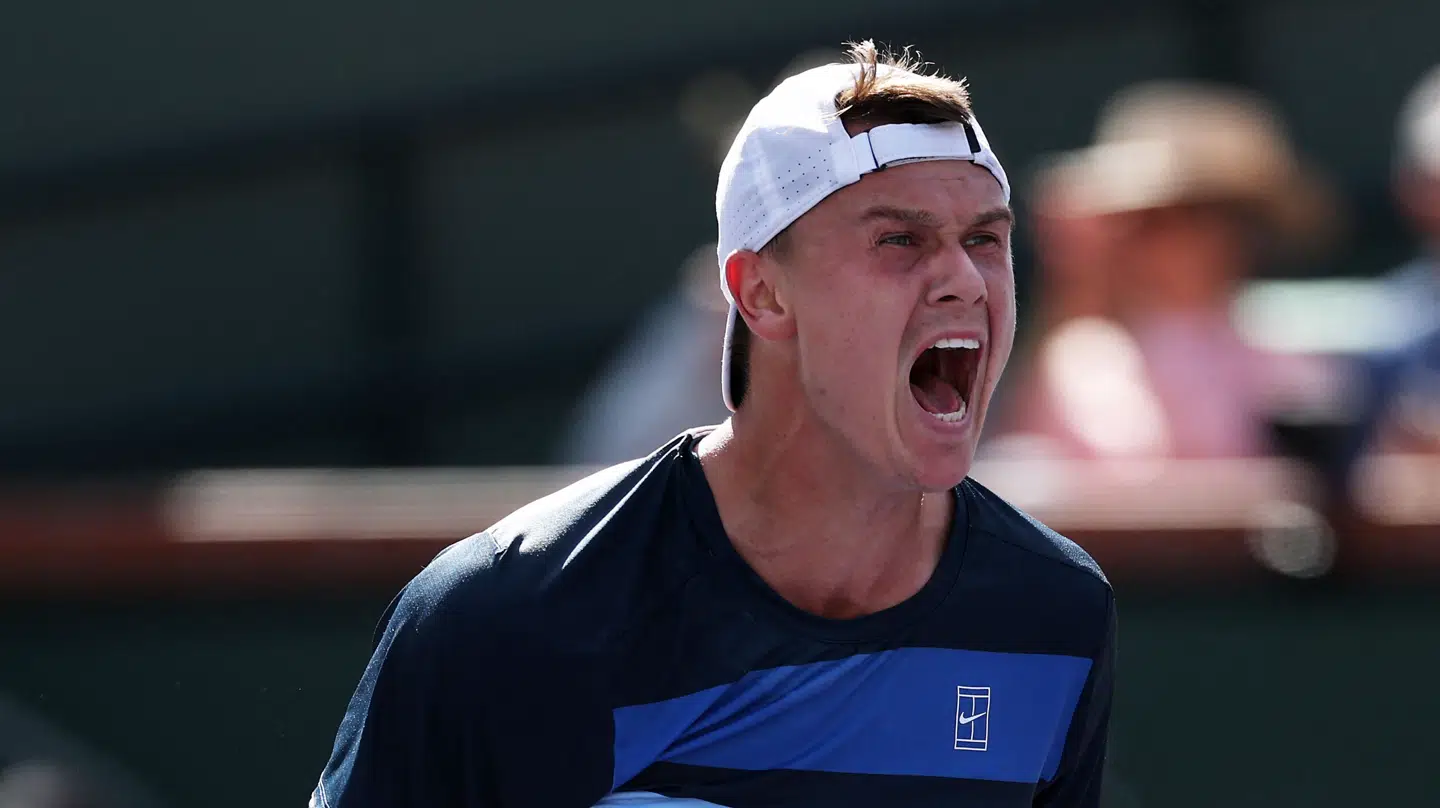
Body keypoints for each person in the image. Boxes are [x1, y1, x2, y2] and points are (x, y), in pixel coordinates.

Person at [312, 41, 1115, 808]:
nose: (964, 279)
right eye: (900, 239)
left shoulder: (1055, 614)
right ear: (761, 293)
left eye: (985, 239)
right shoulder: (503, 615)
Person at [996, 81, 1340, 460]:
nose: (1211, 239)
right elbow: (1132, 464)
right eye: (1157, 221)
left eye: (1230, 216)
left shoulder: (1275, 347)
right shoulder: (1088, 355)